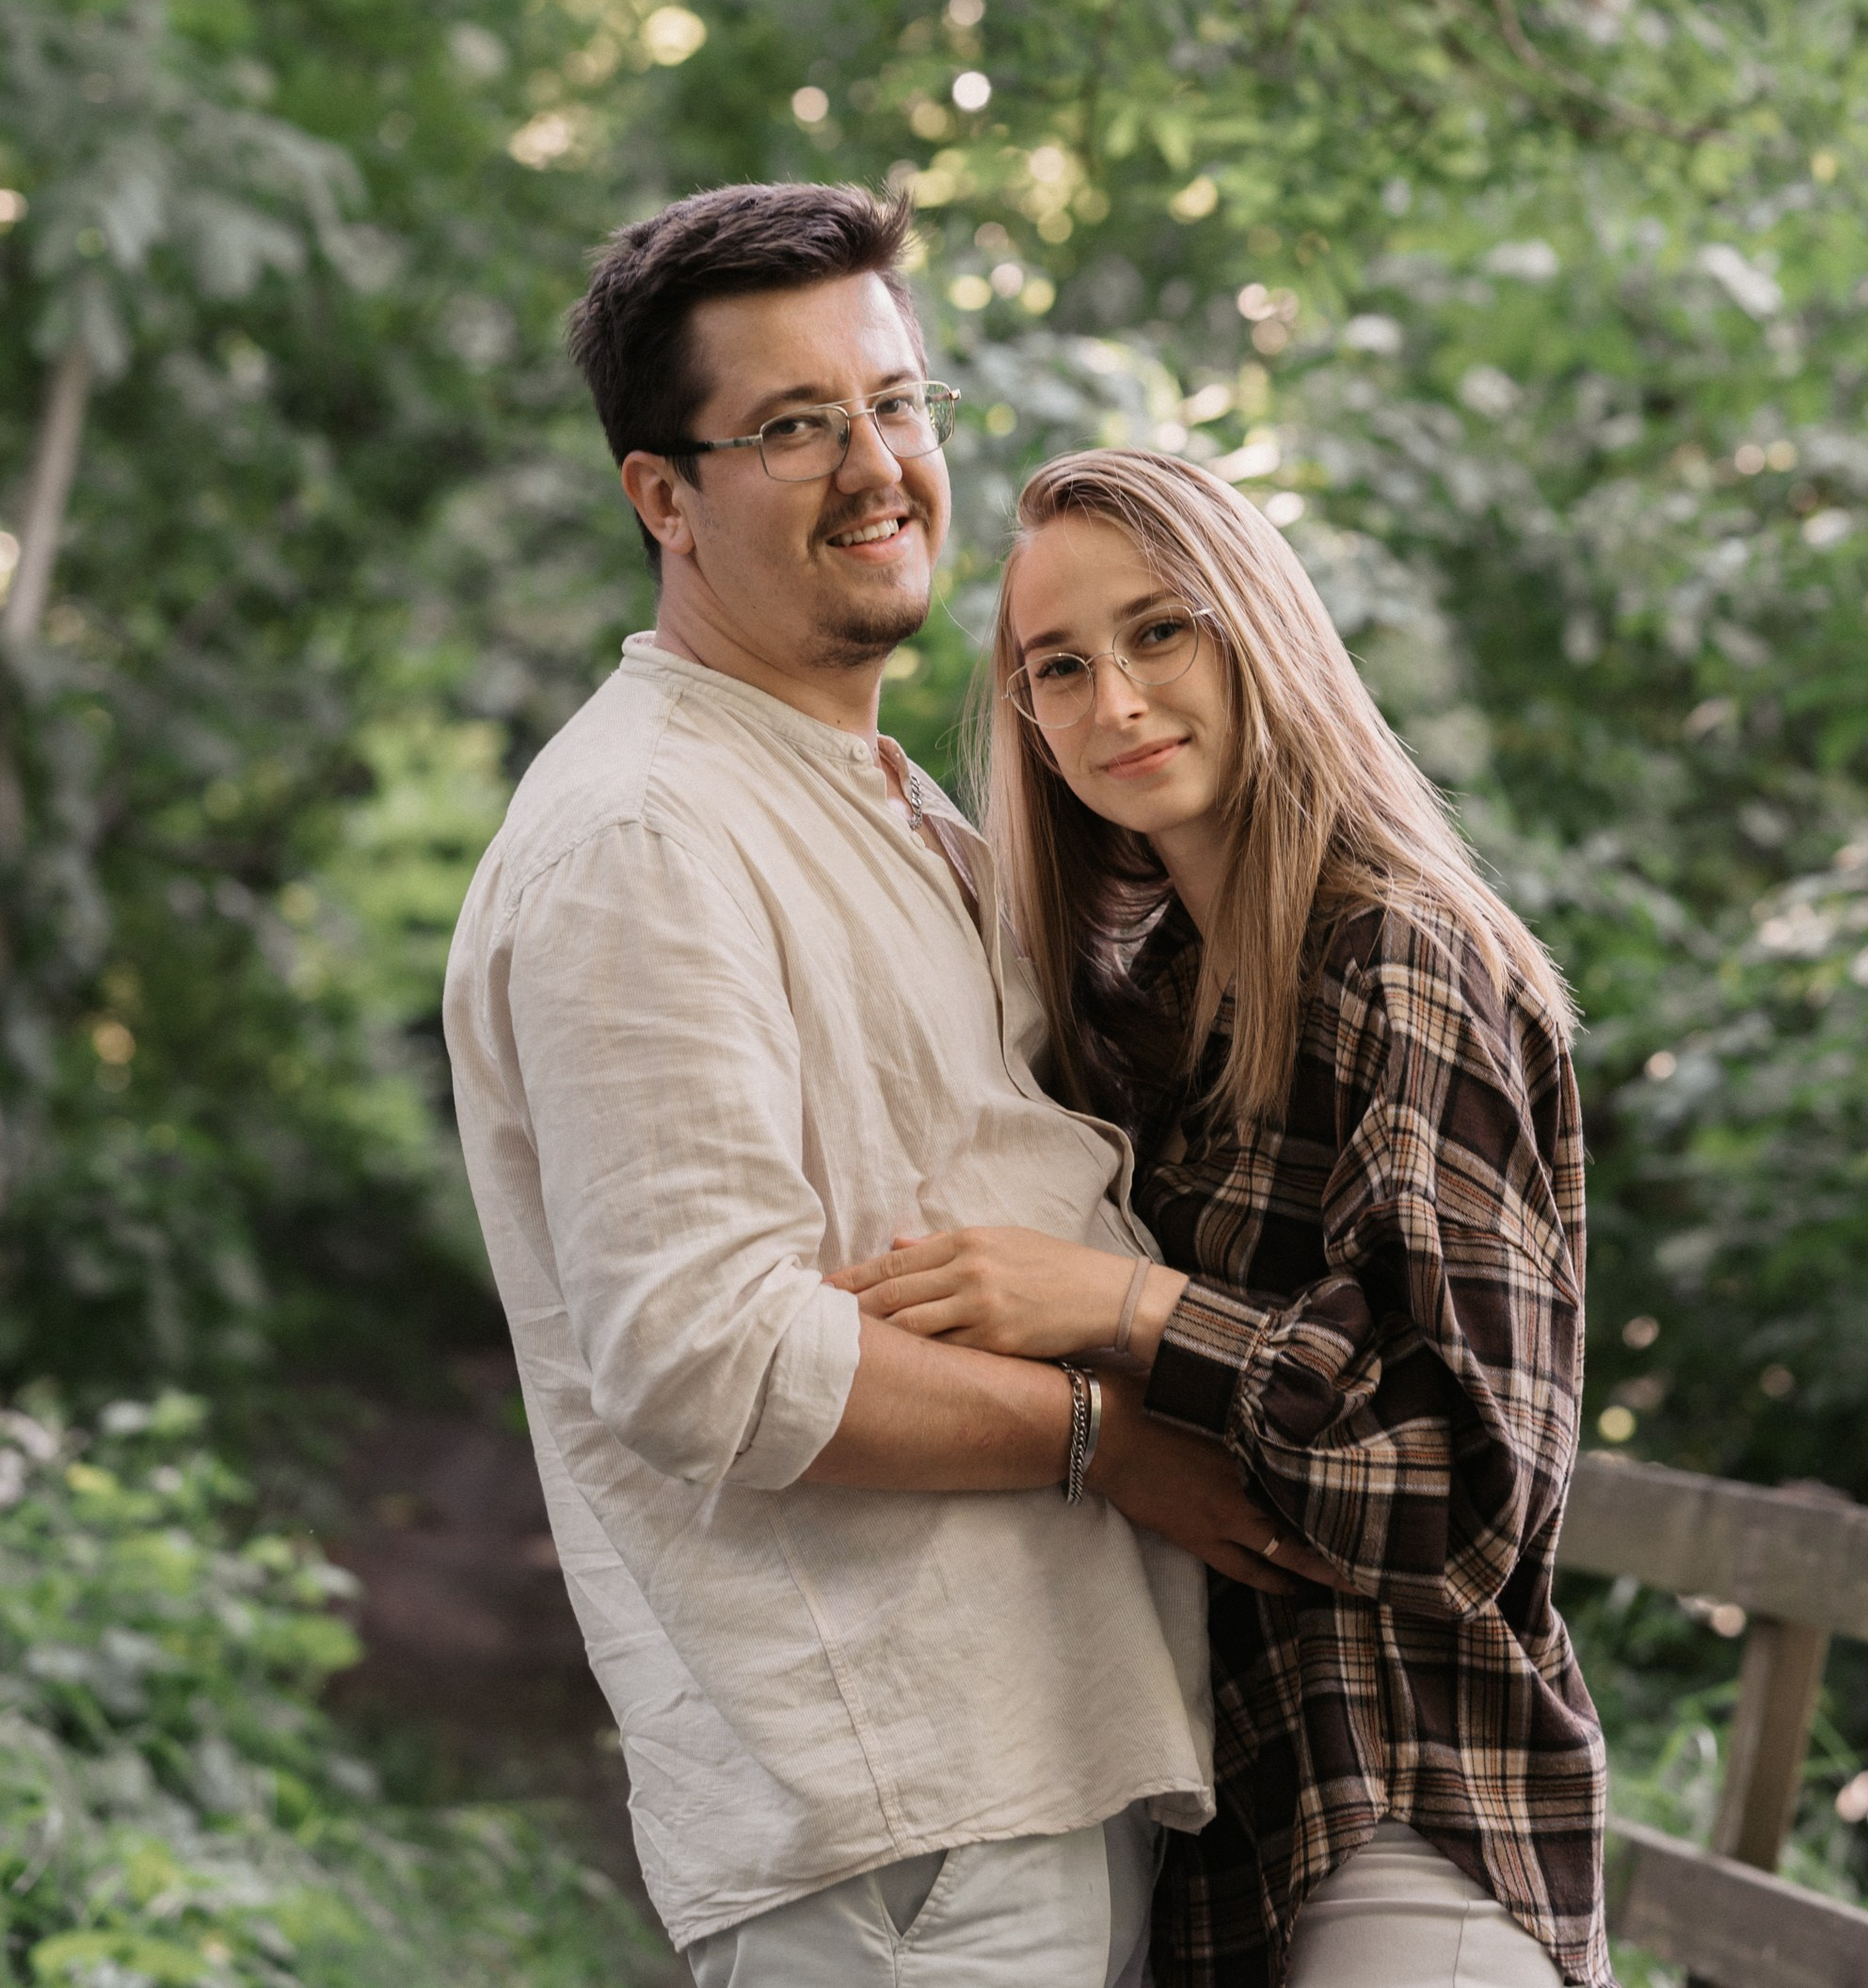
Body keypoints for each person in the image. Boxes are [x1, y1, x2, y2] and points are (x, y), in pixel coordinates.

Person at [443, 187, 1323, 1988]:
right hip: (901, 1843)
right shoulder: (643, 834)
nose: (876, 467)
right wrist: (1106, 1441)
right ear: (661, 497)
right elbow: (707, 1353)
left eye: (896, 402)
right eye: (790, 425)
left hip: (1010, 1778)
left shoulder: (880, 792)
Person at [832, 449, 1613, 1988]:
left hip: (1404, 1823)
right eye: (1058, 667)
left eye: (1159, 631)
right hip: (1227, 1846)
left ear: (1257, 630)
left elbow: (1464, 1497)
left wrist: (1119, 1311)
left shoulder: (1401, 957)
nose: (1112, 700)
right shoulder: (1153, 1017)